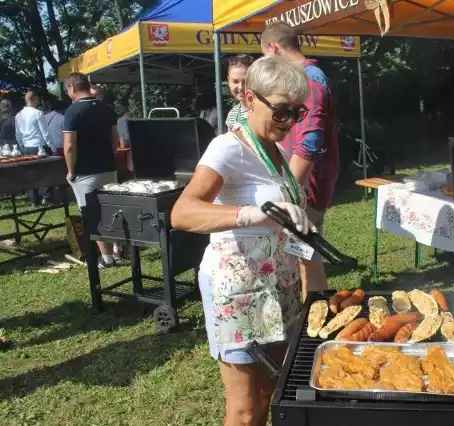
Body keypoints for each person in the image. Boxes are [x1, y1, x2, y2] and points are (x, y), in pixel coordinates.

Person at [171, 55, 313, 426]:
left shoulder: (279, 153)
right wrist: (249, 214)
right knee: (245, 408)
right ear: (250, 98)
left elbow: (290, 229)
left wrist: (314, 284)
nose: (290, 122)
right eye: (281, 111)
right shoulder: (227, 147)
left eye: (297, 113)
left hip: (280, 288)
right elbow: (182, 213)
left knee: (272, 391)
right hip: (239, 291)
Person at [261, 22, 340, 298]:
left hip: (304, 188)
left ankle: (314, 318)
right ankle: (312, 317)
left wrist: (287, 192)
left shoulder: (310, 78)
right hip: (300, 186)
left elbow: (310, 142)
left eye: (265, 57)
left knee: (305, 255)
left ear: (273, 47)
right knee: (303, 253)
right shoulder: (303, 78)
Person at [63, 72, 120, 269]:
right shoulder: (106, 108)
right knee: (111, 211)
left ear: (71, 89)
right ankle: (117, 250)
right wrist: (111, 158)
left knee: (92, 216)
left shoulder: (72, 112)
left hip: (85, 173)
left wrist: (70, 171)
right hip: (109, 167)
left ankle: (106, 258)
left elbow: (69, 146)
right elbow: (115, 139)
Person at [14, 90, 54, 205]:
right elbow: (45, 132)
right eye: (37, 99)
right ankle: (47, 196)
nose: (38, 101)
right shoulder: (38, 113)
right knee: (48, 172)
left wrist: (21, 146)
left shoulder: (18, 115)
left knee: (30, 174)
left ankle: (34, 198)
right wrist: (51, 147)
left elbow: (18, 134)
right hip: (39, 146)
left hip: (27, 146)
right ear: (33, 99)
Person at [225, 54, 254, 131]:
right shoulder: (232, 114)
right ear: (229, 82)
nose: (240, 87)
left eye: (245, 82)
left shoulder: (263, 111)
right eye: (235, 81)